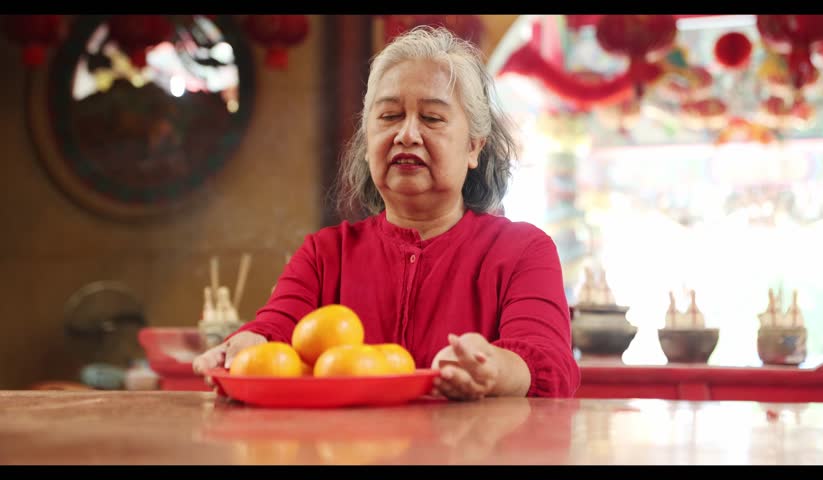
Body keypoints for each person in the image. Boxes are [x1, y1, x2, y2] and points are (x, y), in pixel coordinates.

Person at [193, 26, 580, 400]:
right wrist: (246, 345)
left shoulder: (523, 251)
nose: (407, 135)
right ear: (366, 142)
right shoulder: (325, 255)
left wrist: (492, 369)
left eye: (432, 118)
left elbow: (548, 362)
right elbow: (275, 330)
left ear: (474, 148)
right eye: (389, 116)